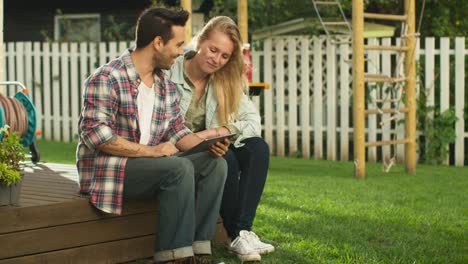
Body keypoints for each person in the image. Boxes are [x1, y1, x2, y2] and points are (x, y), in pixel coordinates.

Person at [76, 7, 228, 264]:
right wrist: (153, 152)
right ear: (158, 42)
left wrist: (210, 145)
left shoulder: (165, 86)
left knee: (216, 165)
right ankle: (173, 258)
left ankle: (199, 252)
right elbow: (96, 135)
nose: (182, 52)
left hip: (152, 167)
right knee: (177, 168)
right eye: (178, 44)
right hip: (109, 170)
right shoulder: (107, 77)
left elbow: (178, 132)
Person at [166, 16, 274, 262]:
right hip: (179, 150)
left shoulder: (225, 79)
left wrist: (219, 132)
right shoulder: (171, 71)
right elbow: (162, 126)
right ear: (200, 41)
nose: (216, 59)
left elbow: (252, 121)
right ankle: (237, 234)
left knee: (258, 148)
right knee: (226, 159)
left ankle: (242, 232)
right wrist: (204, 137)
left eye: (224, 56)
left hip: (212, 146)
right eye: (213, 50)